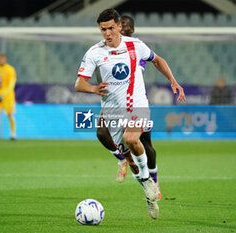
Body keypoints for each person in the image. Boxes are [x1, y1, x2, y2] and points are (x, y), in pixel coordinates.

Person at [75, 9, 186, 219]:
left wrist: (173, 81)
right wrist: (93, 88)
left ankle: (148, 180)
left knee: (132, 138)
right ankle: (147, 190)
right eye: (103, 29)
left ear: (118, 26)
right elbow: (79, 83)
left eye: (110, 28)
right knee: (130, 159)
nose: (107, 33)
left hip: (138, 105)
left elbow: (158, 60)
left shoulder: (135, 45)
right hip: (112, 112)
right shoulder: (94, 53)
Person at [96, 14, 160, 200]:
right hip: (113, 102)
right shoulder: (105, 48)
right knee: (101, 132)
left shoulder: (135, 48)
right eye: (119, 26)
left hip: (135, 103)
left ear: (131, 30)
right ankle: (123, 159)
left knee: (146, 144)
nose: (120, 29)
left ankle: (154, 181)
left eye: (124, 27)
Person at [0, 53, 17, 140]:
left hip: (7, 96)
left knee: (10, 114)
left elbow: (11, 84)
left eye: (2, 59)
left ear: (5, 59)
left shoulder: (10, 69)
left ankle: (13, 135)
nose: (1, 60)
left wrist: (3, 94)